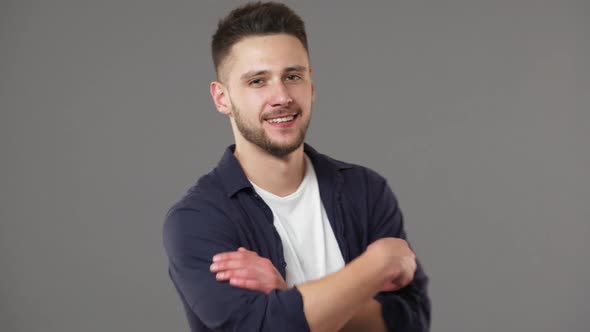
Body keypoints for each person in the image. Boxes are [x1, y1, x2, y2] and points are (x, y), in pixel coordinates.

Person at [163, 2, 431, 331]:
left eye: (292, 76)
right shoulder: (197, 219)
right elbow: (260, 327)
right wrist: (376, 266)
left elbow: (409, 321)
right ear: (222, 98)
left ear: (311, 85)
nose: (282, 96)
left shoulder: (366, 190)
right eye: (258, 81)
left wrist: (287, 297)